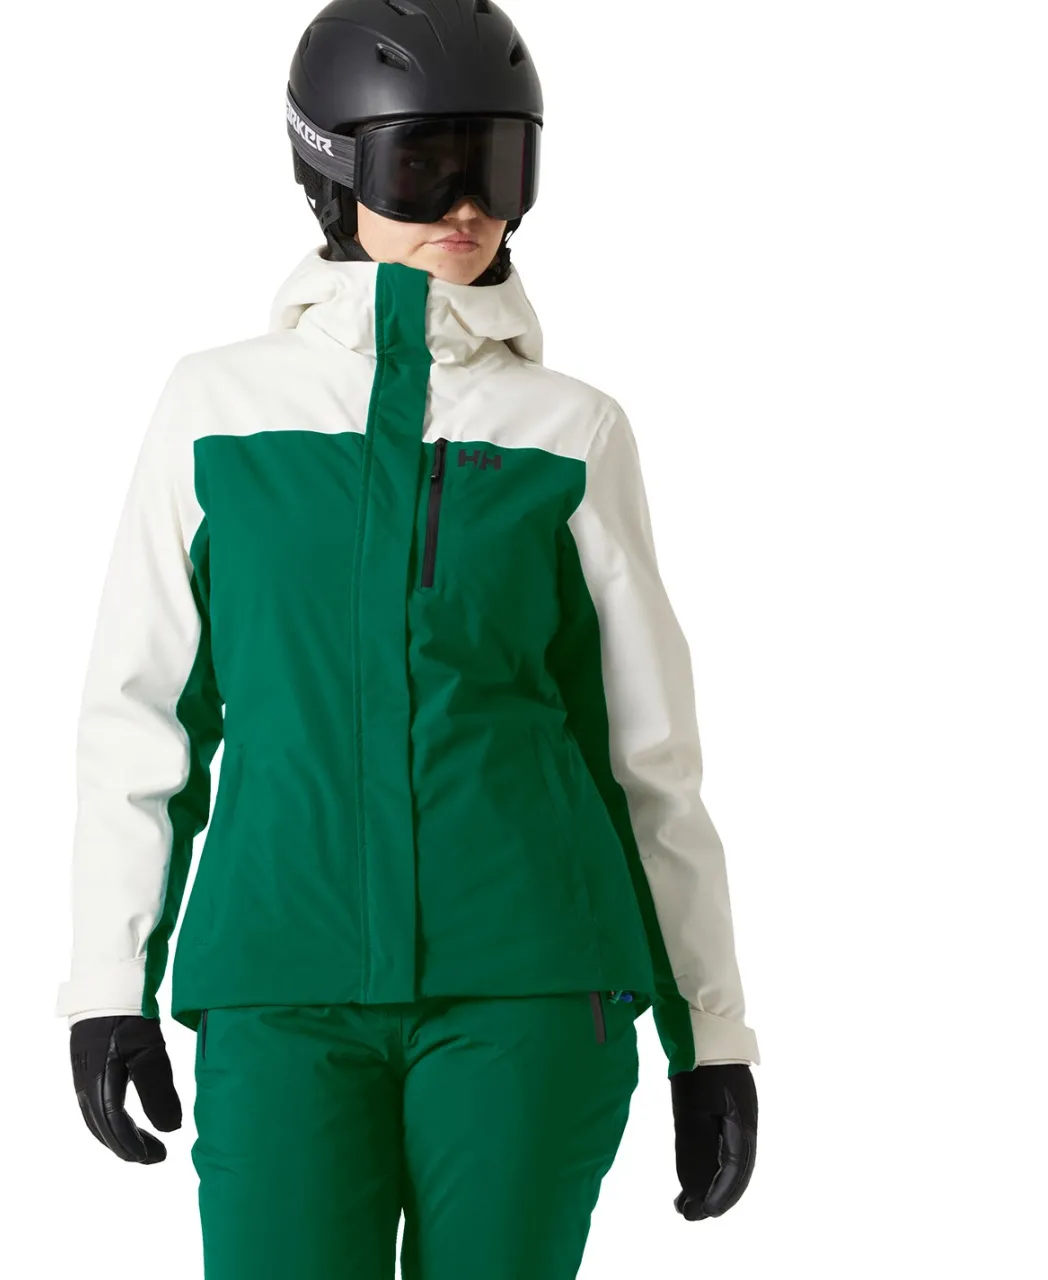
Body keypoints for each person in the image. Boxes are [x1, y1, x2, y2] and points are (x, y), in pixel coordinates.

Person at [57, 2, 760, 1276]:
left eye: (497, 166)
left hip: (530, 986)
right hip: (280, 982)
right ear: (331, 172)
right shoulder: (214, 409)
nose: (466, 206)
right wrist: (107, 983)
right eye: (421, 164)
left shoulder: (569, 429)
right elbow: (142, 715)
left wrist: (707, 1035)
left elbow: (642, 758)